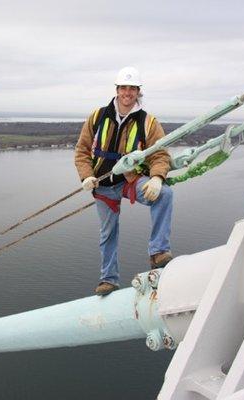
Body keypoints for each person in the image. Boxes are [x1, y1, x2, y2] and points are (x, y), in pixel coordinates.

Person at [74, 66, 173, 296]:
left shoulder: (148, 122)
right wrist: (87, 175)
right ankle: (108, 279)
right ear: (117, 90)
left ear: (138, 92)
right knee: (108, 233)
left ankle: (158, 251)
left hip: (130, 180)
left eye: (132, 88)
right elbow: (82, 150)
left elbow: (159, 154)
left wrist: (157, 177)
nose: (127, 93)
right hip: (103, 185)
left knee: (165, 195)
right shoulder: (98, 117)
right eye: (123, 88)